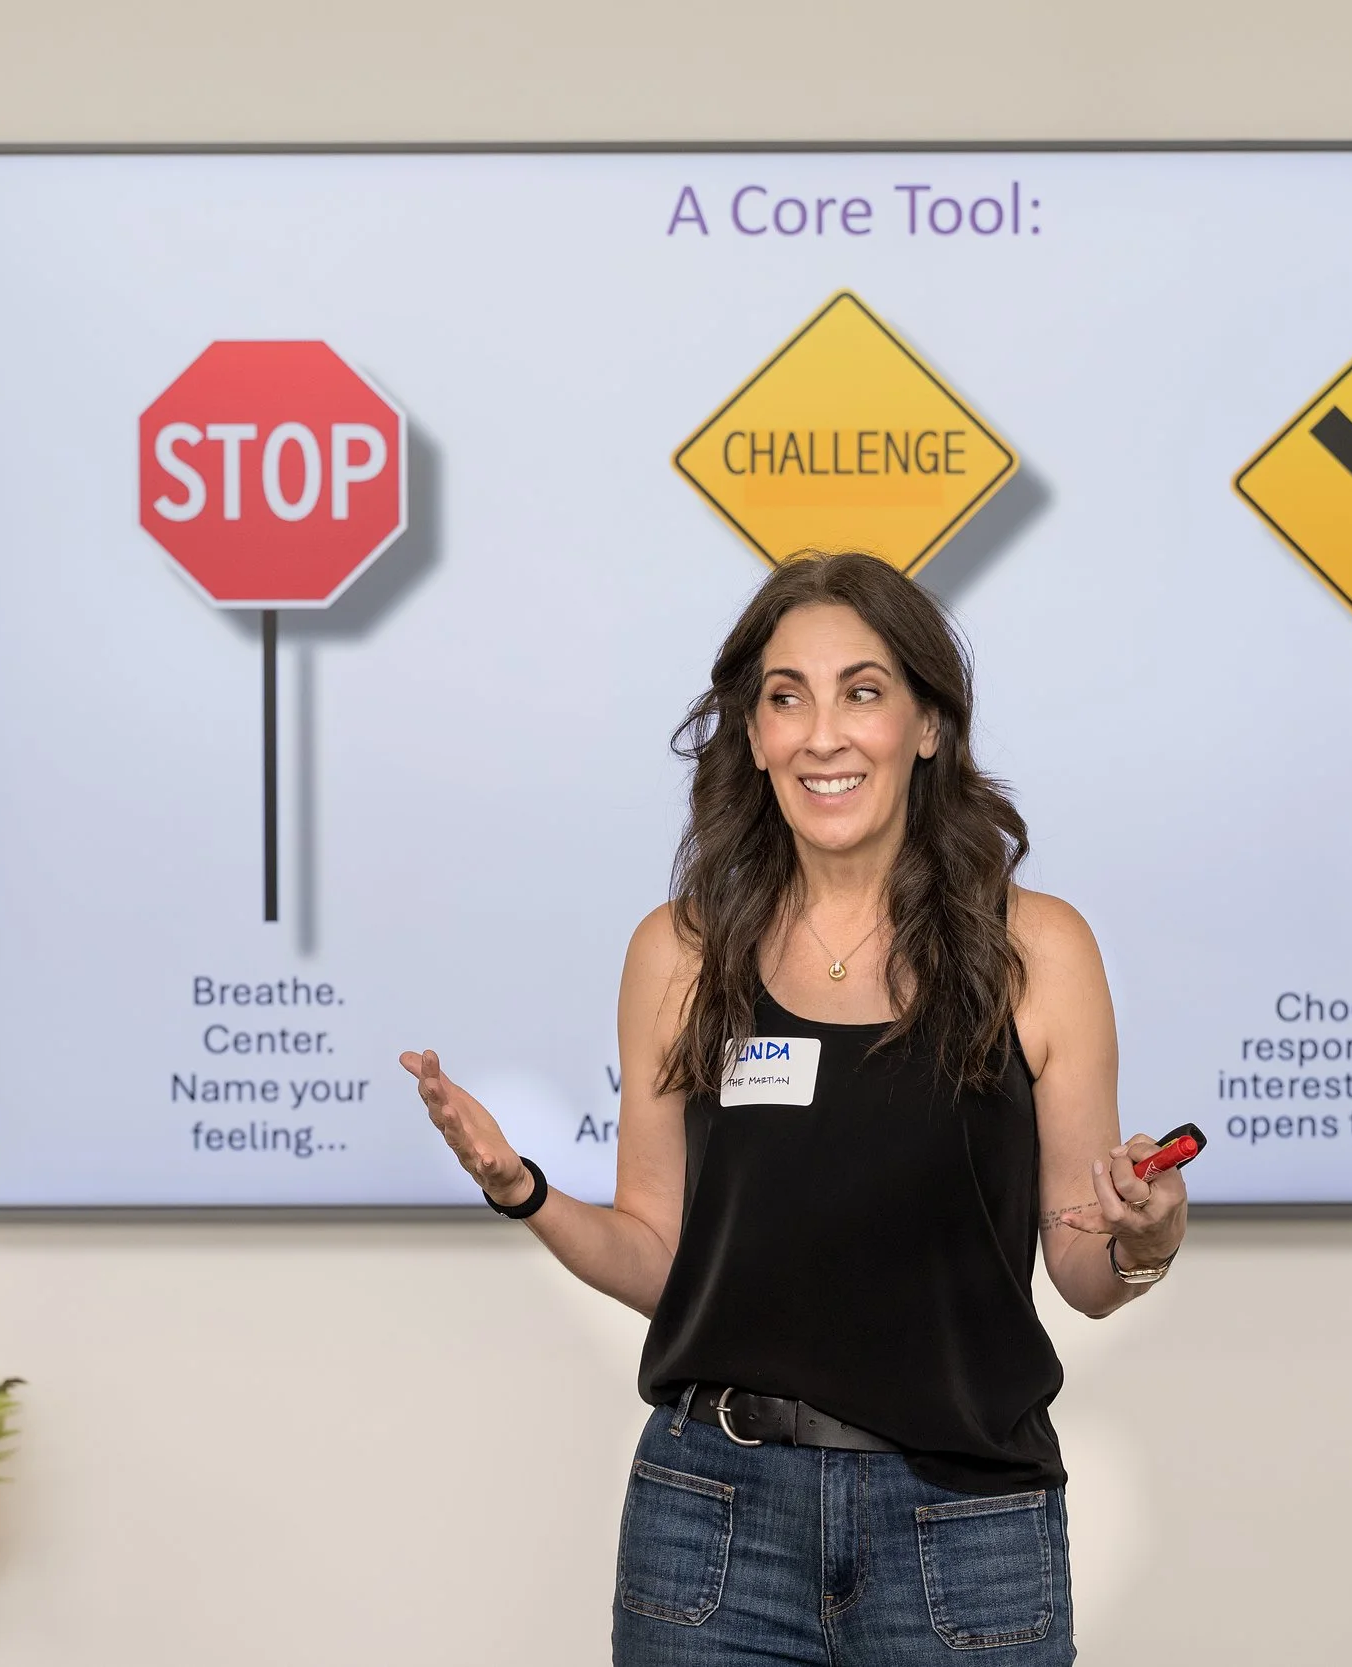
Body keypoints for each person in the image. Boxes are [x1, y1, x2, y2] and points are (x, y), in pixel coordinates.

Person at [402, 551, 1186, 1665]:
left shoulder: (1037, 949)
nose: (823, 735)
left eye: (862, 692)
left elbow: (1081, 1266)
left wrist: (1145, 1239)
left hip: (965, 1529)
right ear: (754, 732)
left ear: (927, 724)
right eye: (787, 697)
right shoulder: (678, 953)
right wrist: (522, 1190)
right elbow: (659, 1256)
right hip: (712, 1524)